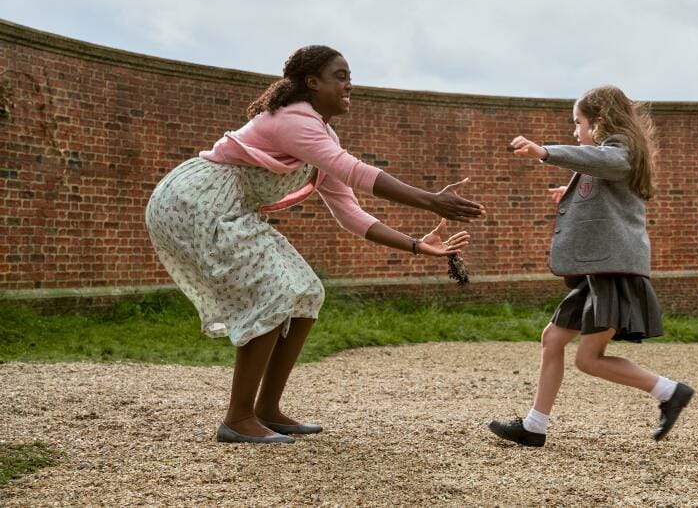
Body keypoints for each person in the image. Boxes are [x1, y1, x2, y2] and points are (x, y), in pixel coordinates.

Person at [145, 45, 483, 444]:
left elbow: (350, 211)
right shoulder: (293, 121)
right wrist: (430, 199)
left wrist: (415, 245)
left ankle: (266, 409)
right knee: (274, 292)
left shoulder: (321, 136)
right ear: (312, 83)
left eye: (349, 76)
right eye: (340, 76)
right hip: (196, 202)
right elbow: (356, 172)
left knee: (307, 292)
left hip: (231, 208)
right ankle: (237, 418)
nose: (349, 84)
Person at [488, 85, 693, 447]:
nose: (575, 130)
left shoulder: (623, 152)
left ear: (599, 122)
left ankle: (669, 391)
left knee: (589, 358)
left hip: (614, 272)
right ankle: (535, 425)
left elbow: (602, 162)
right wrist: (566, 194)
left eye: (577, 122)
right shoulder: (607, 155)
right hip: (597, 272)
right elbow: (598, 179)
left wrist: (545, 151)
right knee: (552, 339)